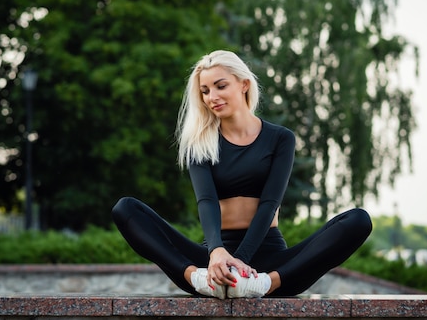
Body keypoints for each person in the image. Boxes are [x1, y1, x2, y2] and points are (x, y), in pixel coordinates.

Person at [112, 50, 372, 299]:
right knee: (126, 209)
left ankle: (265, 285)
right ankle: (195, 278)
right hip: (212, 264)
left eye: (220, 86)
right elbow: (207, 201)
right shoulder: (200, 144)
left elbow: (270, 203)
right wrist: (216, 253)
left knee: (358, 220)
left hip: (271, 264)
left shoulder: (280, 139)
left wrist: (243, 261)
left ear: (244, 84)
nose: (212, 96)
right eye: (205, 90)